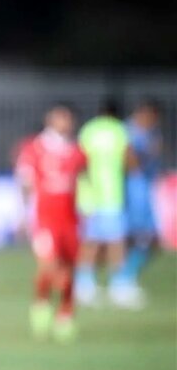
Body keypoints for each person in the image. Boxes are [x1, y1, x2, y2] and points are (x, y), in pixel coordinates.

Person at [14, 104, 86, 343]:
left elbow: (84, 182)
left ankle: (66, 313)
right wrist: (23, 213)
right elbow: (25, 182)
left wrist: (88, 210)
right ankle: (41, 302)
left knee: (69, 268)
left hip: (70, 220)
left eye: (68, 118)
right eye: (60, 117)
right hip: (44, 219)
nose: (65, 122)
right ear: (50, 119)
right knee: (49, 265)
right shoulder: (34, 148)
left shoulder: (77, 151)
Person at [74, 100, 139, 309]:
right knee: (115, 242)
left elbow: (78, 161)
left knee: (90, 242)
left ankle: (84, 285)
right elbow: (130, 161)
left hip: (88, 195)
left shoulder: (88, 130)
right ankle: (119, 285)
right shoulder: (120, 130)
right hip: (112, 194)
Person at [120, 99, 163, 300]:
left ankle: (126, 277)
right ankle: (120, 280)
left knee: (151, 240)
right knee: (133, 238)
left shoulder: (152, 133)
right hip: (131, 193)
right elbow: (130, 162)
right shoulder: (127, 132)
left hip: (145, 192)